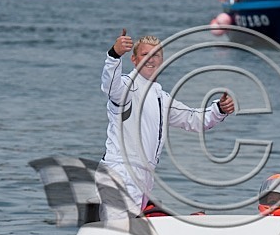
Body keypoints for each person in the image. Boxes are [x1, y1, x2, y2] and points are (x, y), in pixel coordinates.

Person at [98, 29, 236, 220]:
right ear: (135, 60)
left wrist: (219, 109)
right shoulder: (126, 88)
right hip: (120, 172)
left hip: (145, 176)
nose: (151, 60)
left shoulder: (162, 98)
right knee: (118, 233)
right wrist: (114, 56)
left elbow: (194, 120)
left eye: (156, 55)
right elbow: (109, 86)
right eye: (145, 54)